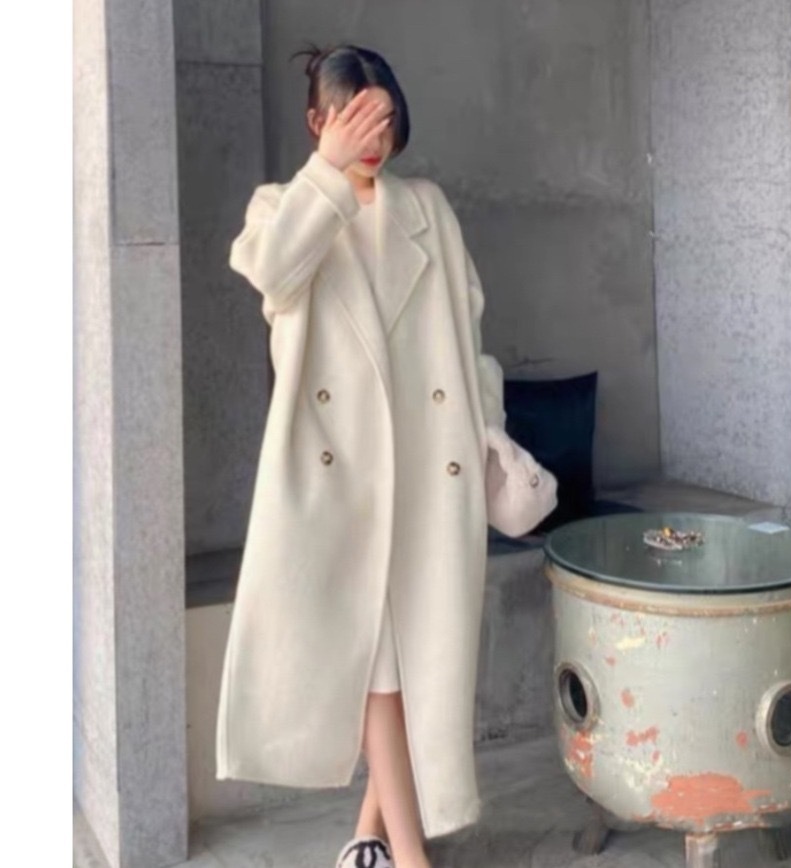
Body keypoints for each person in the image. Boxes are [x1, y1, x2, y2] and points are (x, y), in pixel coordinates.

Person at [214, 42, 555, 868]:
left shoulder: (427, 208)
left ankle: (368, 834)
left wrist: (487, 427)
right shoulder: (282, 208)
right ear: (317, 122)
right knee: (380, 672)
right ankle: (410, 856)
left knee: (413, 670)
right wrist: (326, 174)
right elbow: (274, 277)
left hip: (430, 472)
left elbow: (468, 333)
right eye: (353, 121)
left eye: (385, 120)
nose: (373, 138)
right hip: (340, 480)